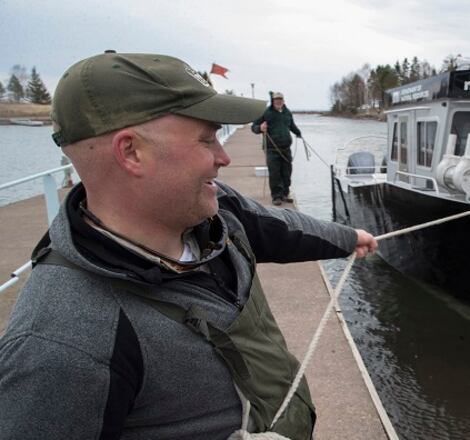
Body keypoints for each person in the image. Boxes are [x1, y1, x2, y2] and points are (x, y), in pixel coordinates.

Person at [0, 51, 377, 440]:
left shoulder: (215, 210)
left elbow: (276, 227)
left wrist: (347, 239)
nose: (224, 156)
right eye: (207, 138)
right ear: (131, 151)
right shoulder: (60, 345)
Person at [251, 92, 301, 206]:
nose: (278, 101)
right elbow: (254, 127)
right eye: (276, 100)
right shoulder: (266, 113)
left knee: (287, 173)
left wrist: (298, 133)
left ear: (283, 100)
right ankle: (276, 196)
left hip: (286, 149)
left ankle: (284, 194)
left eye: (280, 99)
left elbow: (291, 126)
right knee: (275, 174)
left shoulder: (287, 113)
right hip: (272, 149)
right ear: (273, 101)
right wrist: (260, 128)